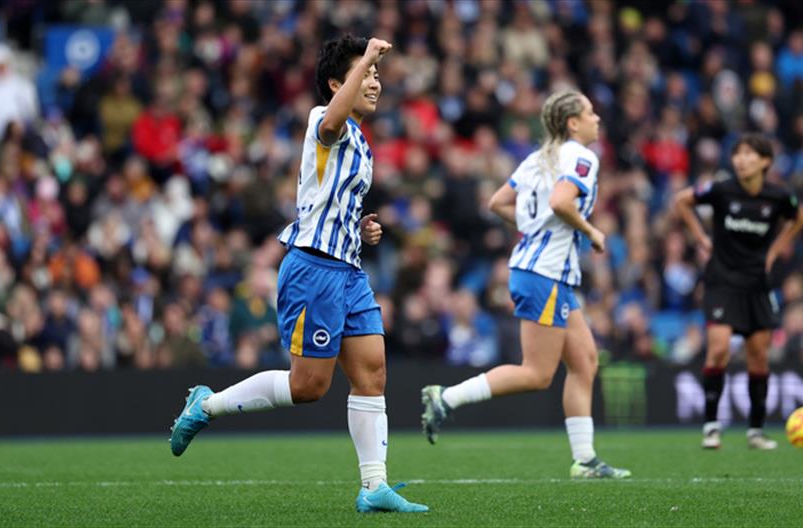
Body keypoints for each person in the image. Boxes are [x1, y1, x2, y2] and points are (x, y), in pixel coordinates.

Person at [168, 36, 428, 513]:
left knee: (372, 373)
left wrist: (362, 227)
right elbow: (331, 124)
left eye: (375, 73)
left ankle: (374, 487)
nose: (375, 81)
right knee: (308, 386)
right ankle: (206, 405)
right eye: (365, 73)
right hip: (313, 269)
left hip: (348, 269)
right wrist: (367, 55)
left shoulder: (364, 145)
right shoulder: (322, 118)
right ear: (337, 83)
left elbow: (331, 201)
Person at [420, 90, 632, 479]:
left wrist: (533, 230)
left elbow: (499, 202)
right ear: (572, 123)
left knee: (585, 361)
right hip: (544, 274)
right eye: (589, 112)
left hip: (546, 273)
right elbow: (561, 202)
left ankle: (584, 460)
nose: (597, 118)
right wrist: (593, 233)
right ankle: (445, 397)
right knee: (537, 373)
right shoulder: (581, 157)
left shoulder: (538, 159)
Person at [673, 133, 803, 450]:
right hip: (722, 280)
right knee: (718, 348)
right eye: (737, 154)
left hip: (756, 282)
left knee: (759, 358)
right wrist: (701, 238)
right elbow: (682, 201)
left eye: (748, 154)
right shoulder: (721, 190)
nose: (740, 160)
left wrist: (775, 251)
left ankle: (755, 431)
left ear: (765, 162)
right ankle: (711, 425)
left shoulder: (778, 197)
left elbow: (798, 217)